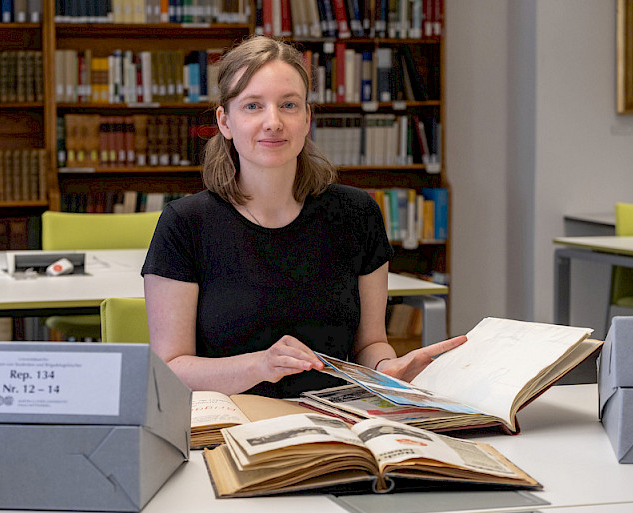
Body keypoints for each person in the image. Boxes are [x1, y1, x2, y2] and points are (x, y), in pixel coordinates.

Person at [141, 35, 465, 397]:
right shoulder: (185, 223)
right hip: (229, 424)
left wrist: (386, 368)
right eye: (252, 106)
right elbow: (170, 367)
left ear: (307, 118)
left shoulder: (357, 214)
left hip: (334, 420)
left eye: (289, 105)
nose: (273, 122)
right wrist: (261, 365)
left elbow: (370, 343)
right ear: (225, 122)